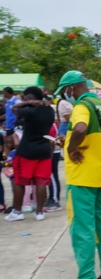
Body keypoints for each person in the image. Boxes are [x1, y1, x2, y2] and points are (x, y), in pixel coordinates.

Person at [57, 71, 101, 279]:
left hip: (81, 177)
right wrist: (68, 141)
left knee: (82, 228)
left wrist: (71, 149)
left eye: (65, 91)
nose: (65, 95)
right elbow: (92, 136)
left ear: (71, 88)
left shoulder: (81, 106)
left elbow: (81, 129)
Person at [5, 86, 54, 222]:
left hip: (26, 151)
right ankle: (39, 212)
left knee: (19, 182)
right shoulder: (50, 111)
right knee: (41, 182)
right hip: (44, 151)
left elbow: (13, 108)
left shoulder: (29, 111)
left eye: (26, 98)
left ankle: (17, 211)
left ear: (30, 98)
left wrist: (27, 103)